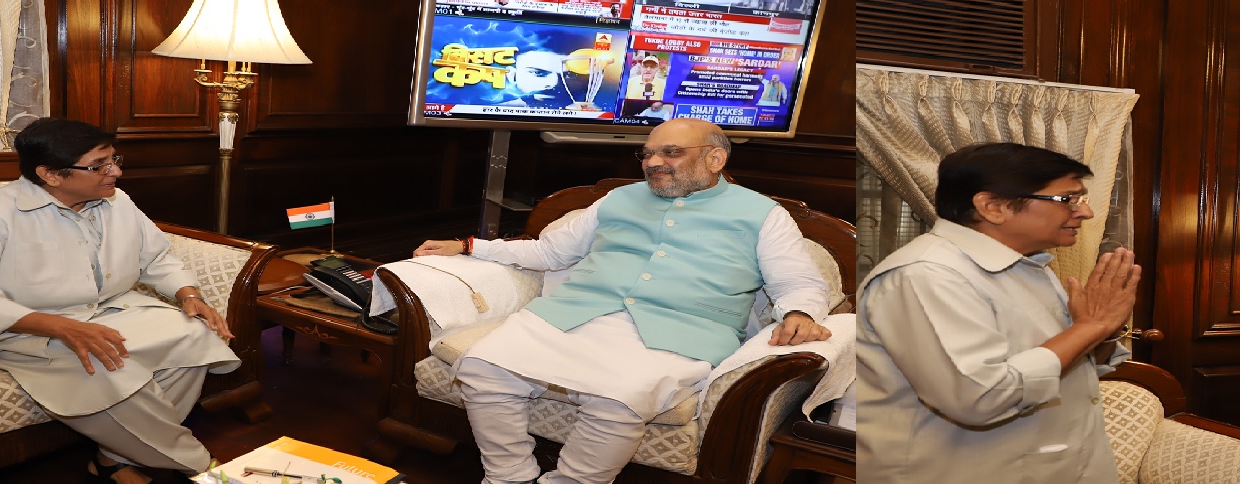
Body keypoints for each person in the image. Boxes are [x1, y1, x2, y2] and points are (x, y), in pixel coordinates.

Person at [412, 118, 833, 484]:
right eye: (647, 153)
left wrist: (799, 311)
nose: (652, 162)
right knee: (484, 366)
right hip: (574, 314)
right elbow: (548, 253)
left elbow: (797, 280)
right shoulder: (619, 197)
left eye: (670, 152)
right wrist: (469, 246)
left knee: (620, 398)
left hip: (682, 331)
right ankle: (509, 475)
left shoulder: (762, 213)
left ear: (715, 159)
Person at [0, 118, 241, 484]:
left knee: (192, 332)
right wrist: (60, 327)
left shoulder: (117, 201)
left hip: (107, 310)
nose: (114, 171)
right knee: (105, 363)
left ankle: (113, 458)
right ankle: (201, 465)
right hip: (22, 329)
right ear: (51, 174)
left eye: (114, 159)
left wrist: (188, 295)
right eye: (99, 165)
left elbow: (157, 257)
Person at [856, 143, 1140, 483]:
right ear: (992, 206)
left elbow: (1063, 364)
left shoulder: (1027, 265)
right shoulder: (925, 275)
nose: (1086, 212)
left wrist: (1100, 332)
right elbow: (979, 397)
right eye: (1068, 199)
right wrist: (1091, 327)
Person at [501, 49, 574, 109]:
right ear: (512, 75)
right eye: (537, 73)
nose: (554, 83)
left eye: (568, 75)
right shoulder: (502, 109)